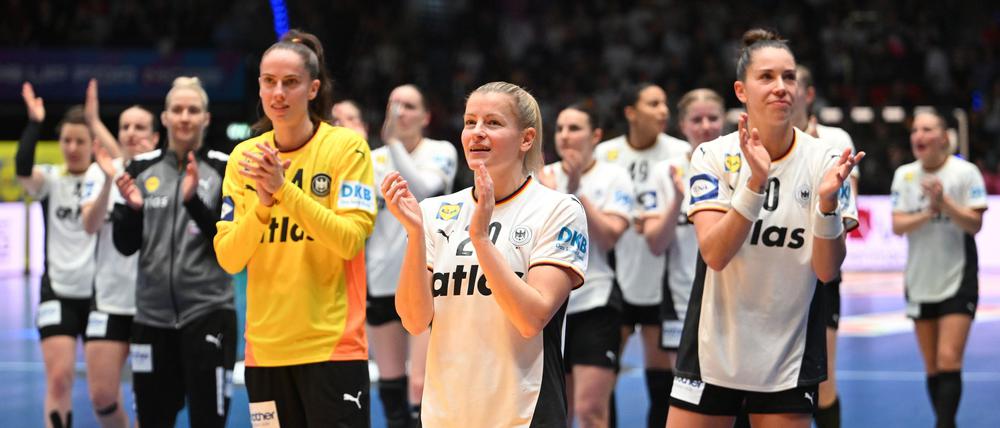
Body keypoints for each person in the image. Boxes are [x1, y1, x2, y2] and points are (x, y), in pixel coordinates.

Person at [666, 29, 863, 428]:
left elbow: (827, 271)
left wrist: (827, 207)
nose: (781, 88)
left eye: (789, 78)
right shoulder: (712, 155)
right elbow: (715, 254)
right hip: (713, 346)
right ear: (741, 90)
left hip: (788, 352)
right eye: (767, 77)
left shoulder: (825, 158)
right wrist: (754, 184)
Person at [382, 81, 588, 427]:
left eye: (493, 123)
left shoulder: (558, 209)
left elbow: (530, 319)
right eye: (470, 122)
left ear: (526, 139)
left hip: (522, 412)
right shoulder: (434, 211)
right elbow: (414, 319)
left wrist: (480, 238)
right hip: (445, 413)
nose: (477, 132)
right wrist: (416, 234)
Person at [214, 30, 376, 427]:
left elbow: (350, 239)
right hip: (265, 353)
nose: (278, 93)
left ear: (313, 88)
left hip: (332, 349)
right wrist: (264, 205)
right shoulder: (243, 158)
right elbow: (230, 258)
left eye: (290, 82)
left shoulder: (346, 149)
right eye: (269, 82)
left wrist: (283, 190)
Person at [112, 76, 236, 428]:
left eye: (193, 110)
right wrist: (133, 211)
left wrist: (193, 202)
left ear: (206, 118)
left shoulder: (225, 168)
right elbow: (125, 246)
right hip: (151, 319)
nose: (185, 117)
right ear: (164, 118)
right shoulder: (139, 168)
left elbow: (228, 249)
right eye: (177, 110)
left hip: (209, 315)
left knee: (208, 422)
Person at [594, 82, 689, 428]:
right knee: (603, 374)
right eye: (653, 104)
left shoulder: (679, 153)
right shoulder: (606, 154)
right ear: (631, 112)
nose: (663, 110)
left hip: (662, 276)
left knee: (661, 375)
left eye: (665, 103)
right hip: (614, 275)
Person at [536, 102, 632, 428]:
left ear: (596, 136)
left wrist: (575, 193)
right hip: (550, 306)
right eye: (560, 128)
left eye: (574, 128)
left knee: (591, 410)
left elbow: (609, 238)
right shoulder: (540, 178)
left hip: (596, 301)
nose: (565, 135)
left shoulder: (614, 175)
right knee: (559, 413)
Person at [368, 84, 457, 427]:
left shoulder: (441, 151)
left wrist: (391, 143)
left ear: (425, 116)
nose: (400, 112)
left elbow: (423, 190)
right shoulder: (371, 160)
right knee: (390, 385)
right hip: (380, 280)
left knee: (420, 385)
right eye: (394, 105)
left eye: (408, 106)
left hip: (426, 280)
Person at [891, 111, 987, 428]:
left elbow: (974, 223)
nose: (919, 134)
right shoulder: (905, 175)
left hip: (958, 278)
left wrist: (945, 204)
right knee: (932, 366)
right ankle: (946, 421)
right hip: (919, 279)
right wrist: (929, 213)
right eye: (915, 129)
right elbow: (898, 224)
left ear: (944, 137)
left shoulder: (965, 172)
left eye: (928, 128)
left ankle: (944, 424)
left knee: (949, 359)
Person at [16, 83, 99, 428]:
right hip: (58, 293)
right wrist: (35, 123)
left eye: (80, 141)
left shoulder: (105, 179)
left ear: (93, 145)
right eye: (66, 140)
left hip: (100, 296)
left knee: (103, 391)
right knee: (60, 378)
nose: (73, 148)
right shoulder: (51, 180)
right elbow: (23, 171)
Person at [79, 79, 159, 428]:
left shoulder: (165, 177)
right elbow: (90, 225)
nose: (130, 132)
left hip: (152, 308)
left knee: (151, 404)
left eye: (139, 127)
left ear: (155, 137)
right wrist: (112, 180)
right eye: (124, 126)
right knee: (102, 398)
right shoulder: (100, 172)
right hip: (109, 302)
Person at [789, 64, 860, 428]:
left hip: (820, 274)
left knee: (824, 382)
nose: (785, 90)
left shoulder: (835, 140)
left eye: (792, 81)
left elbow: (846, 215)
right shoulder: (762, 140)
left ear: (809, 93)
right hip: (774, 272)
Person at [642, 88, 726, 357]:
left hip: (732, 295)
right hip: (680, 297)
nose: (705, 127)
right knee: (683, 387)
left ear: (723, 120)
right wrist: (677, 200)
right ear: (682, 126)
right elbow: (655, 244)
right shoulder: (664, 172)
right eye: (697, 120)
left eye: (712, 118)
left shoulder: (742, 165)